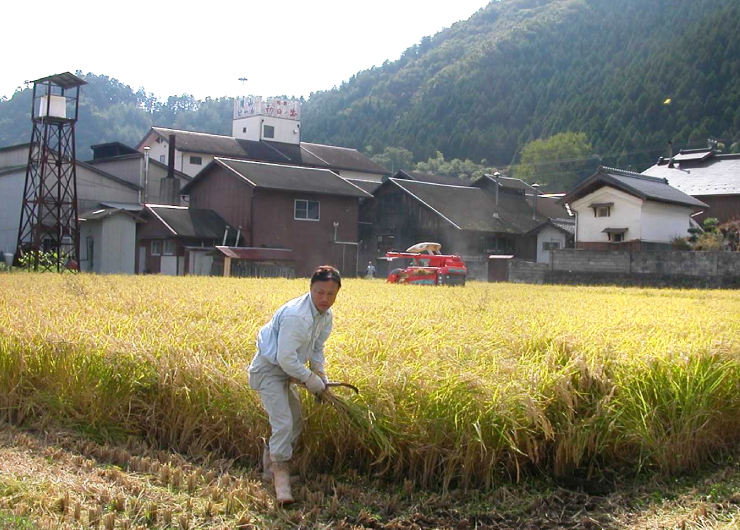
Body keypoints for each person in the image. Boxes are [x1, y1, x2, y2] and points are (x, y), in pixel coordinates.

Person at [247, 265, 341, 505]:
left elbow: (317, 348)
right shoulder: (296, 317)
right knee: (284, 423)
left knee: (295, 421)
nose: (325, 298)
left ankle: (269, 468)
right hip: (270, 370)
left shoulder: (325, 316)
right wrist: (310, 380)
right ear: (310, 289)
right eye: (320, 292)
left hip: (287, 372)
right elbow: (285, 358)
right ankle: (281, 482)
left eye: (331, 294)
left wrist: (320, 373)